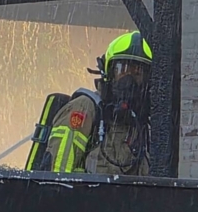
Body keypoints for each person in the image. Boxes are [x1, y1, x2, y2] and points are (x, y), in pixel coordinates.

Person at [40, 30, 153, 176]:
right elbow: (57, 176)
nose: (128, 81)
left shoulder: (145, 126)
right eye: (122, 70)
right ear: (108, 73)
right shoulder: (84, 109)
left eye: (137, 73)